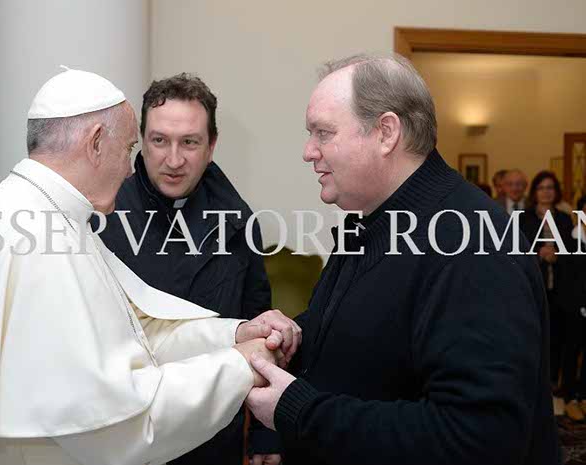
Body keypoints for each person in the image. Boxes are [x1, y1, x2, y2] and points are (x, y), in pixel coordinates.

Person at [0, 67, 301, 465]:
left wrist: (233, 335)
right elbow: (120, 427)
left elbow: (136, 329)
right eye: (131, 147)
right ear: (97, 142)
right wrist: (241, 363)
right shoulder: (39, 238)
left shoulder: (43, 215)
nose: (130, 167)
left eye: (189, 142)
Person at [245, 54, 560, 464]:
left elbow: (478, 438)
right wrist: (295, 335)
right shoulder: (374, 223)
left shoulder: (471, 243)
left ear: (386, 132)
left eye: (323, 133)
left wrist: (298, 413)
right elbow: (370, 338)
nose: (309, 151)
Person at [98, 73, 281, 465]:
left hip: (214, 432)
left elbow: (257, 324)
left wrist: (265, 433)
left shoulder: (239, 221)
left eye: (190, 142)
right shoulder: (102, 215)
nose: (174, 160)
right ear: (141, 140)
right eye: (159, 140)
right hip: (132, 430)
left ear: (211, 146)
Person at [521, 171, 576, 418]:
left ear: (556, 191)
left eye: (550, 187)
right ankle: (533, 387)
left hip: (561, 289)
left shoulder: (565, 219)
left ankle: (554, 387)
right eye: (541, 187)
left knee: (557, 338)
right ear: (535, 191)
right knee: (534, 337)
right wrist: (538, 255)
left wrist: (558, 256)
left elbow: (574, 254)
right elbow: (515, 250)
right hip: (533, 288)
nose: (546, 192)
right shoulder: (524, 218)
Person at [560, 195, 586, 420]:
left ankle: (584, 395)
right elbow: (567, 279)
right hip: (574, 308)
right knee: (572, 351)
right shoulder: (570, 241)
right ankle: (569, 398)